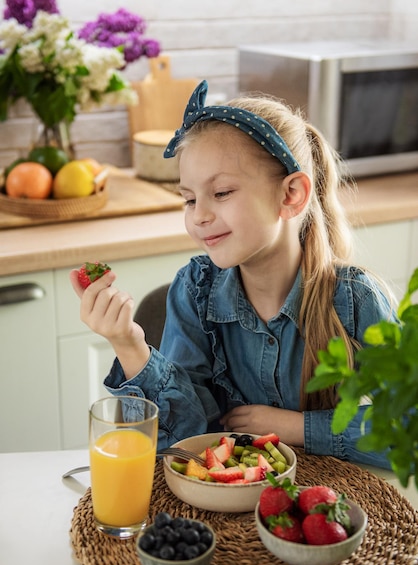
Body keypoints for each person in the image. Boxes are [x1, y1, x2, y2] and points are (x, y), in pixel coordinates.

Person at [70, 80, 397, 468]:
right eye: (189, 199)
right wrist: (127, 343)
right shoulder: (194, 290)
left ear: (291, 194)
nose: (199, 216)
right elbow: (186, 438)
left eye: (221, 193)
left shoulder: (355, 299)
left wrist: (294, 426)